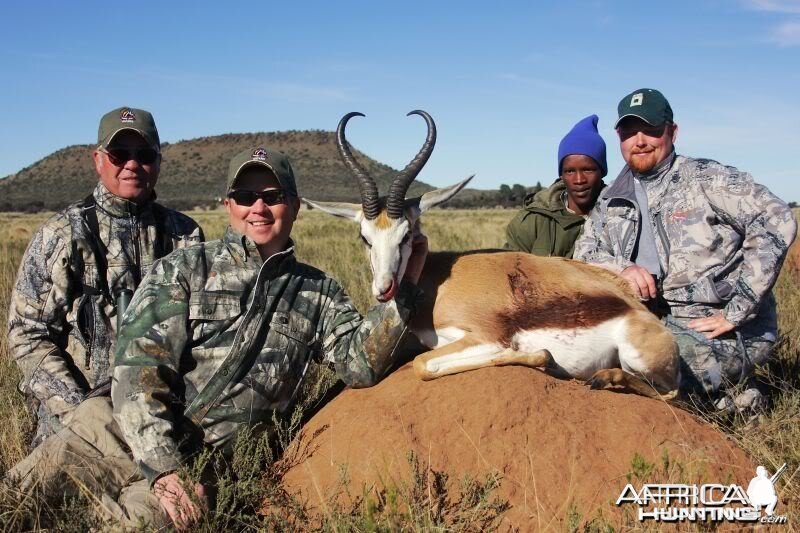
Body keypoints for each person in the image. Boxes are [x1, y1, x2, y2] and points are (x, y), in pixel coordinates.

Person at [7, 146, 428, 529]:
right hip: (108, 435)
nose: (258, 208)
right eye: (245, 197)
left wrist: (406, 287)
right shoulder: (183, 269)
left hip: (199, 469)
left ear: (296, 207)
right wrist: (163, 466)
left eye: (273, 196)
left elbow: (361, 364)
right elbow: (138, 373)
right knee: (12, 507)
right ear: (229, 205)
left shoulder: (320, 293)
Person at [573, 88, 797, 410]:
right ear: (619, 137)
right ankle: (725, 395)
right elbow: (584, 255)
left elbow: (778, 218)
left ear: (671, 131)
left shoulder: (707, 178)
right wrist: (621, 268)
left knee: (647, 381)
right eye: (629, 132)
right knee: (590, 366)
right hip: (650, 322)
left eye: (650, 130)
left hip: (719, 326)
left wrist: (738, 310)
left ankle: (736, 402)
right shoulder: (610, 199)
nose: (640, 140)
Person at [7, 107, 204, 447]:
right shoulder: (62, 234)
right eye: (118, 154)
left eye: (144, 154)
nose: (131, 164)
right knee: (36, 497)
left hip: (166, 413)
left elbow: (203, 332)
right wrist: (80, 412)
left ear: (158, 161)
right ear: (98, 160)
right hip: (80, 416)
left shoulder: (185, 235)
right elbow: (27, 335)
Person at [505, 115, 607, 257]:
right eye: (570, 171)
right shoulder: (532, 222)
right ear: (561, 175)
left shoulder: (618, 217)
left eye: (587, 170)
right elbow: (508, 272)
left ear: (602, 171)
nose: (579, 180)